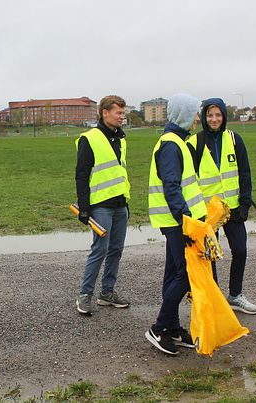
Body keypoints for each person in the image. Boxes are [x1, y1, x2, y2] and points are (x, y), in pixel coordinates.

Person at [145, 93, 207, 355]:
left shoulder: (177, 141)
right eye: (194, 113)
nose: (197, 118)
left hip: (179, 221)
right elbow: (172, 188)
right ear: (184, 114)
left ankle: (170, 326)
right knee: (187, 275)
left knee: (174, 274)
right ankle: (159, 328)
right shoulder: (171, 144)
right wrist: (186, 223)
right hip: (178, 222)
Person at [188, 98, 256, 314]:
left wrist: (245, 203)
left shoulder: (235, 139)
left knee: (240, 250)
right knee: (210, 255)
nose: (214, 119)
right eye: (210, 115)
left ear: (225, 116)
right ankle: (215, 295)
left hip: (233, 209)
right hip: (207, 212)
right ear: (204, 117)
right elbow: (189, 180)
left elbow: (245, 173)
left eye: (218, 115)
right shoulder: (195, 143)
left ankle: (235, 295)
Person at [74, 95, 131, 315]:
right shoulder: (90, 138)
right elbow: (81, 175)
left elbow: (120, 172)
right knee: (100, 249)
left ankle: (107, 293)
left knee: (116, 250)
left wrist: (126, 202)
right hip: (100, 206)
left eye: (123, 113)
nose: (122, 116)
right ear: (105, 112)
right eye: (119, 112)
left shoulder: (121, 139)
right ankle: (84, 295)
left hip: (120, 204)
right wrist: (84, 207)